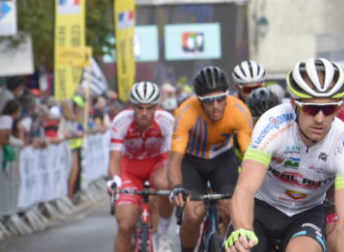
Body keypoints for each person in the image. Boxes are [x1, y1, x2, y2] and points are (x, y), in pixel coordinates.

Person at [225, 59, 344, 252]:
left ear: (339, 108)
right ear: (294, 104)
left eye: (329, 108)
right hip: (260, 208)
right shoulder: (273, 124)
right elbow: (245, 189)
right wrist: (243, 229)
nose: (320, 118)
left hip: (306, 215)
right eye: (311, 108)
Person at [169, 66, 253, 252]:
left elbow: (250, 157)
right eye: (208, 100)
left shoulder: (239, 110)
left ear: (227, 96)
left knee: (230, 211)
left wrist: (253, 186)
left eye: (220, 98)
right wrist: (176, 186)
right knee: (193, 215)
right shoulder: (185, 112)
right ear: (199, 100)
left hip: (223, 160)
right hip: (192, 162)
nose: (215, 106)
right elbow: (174, 160)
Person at [108, 82, 176, 252]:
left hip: (157, 165)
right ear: (132, 106)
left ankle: (162, 234)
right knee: (125, 227)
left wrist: (177, 182)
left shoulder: (166, 120)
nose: (144, 113)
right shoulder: (121, 121)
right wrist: (115, 180)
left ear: (157, 106)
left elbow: (172, 159)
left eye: (150, 108)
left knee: (166, 183)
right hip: (130, 169)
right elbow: (114, 159)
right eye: (140, 108)